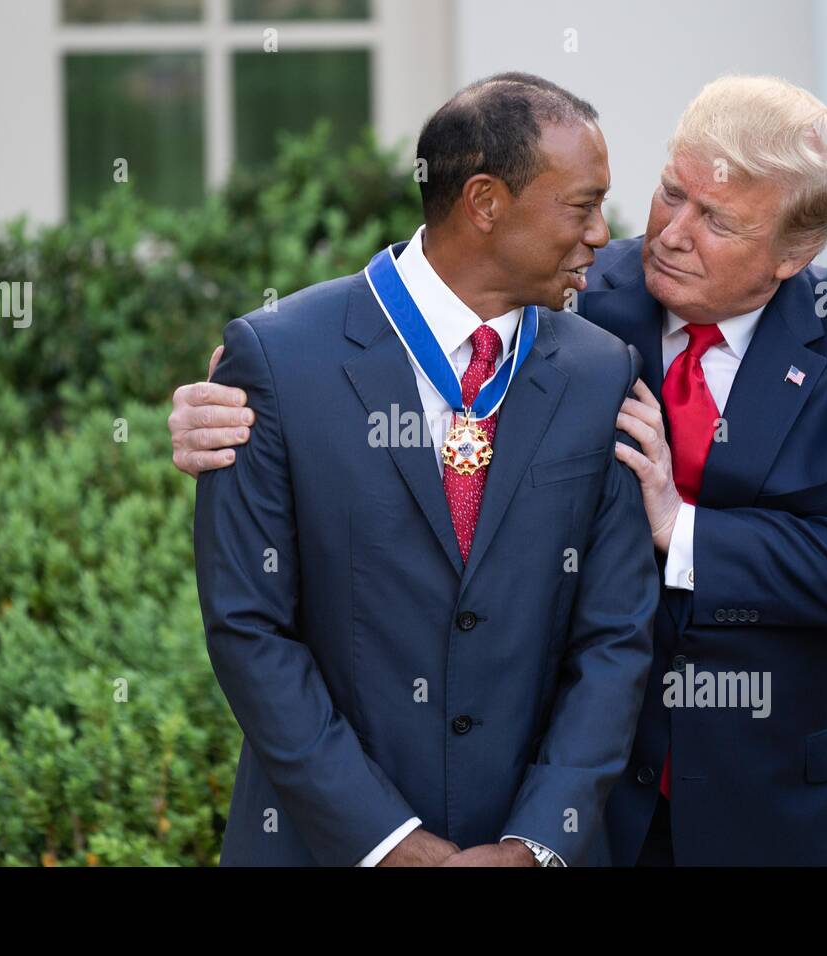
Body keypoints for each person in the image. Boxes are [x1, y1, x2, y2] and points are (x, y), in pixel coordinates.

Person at [175, 74, 827, 866]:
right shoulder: (580, 290)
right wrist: (232, 397)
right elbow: (410, 300)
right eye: (670, 192)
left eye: (716, 219)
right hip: (594, 812)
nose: (670, 234)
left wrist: (685, 533)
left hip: (781, 805)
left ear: (796, 251)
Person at [193, 73, 658, 867]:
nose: (601, 235)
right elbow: (249, 628)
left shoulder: (600, 372)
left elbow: (614, 639)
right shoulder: (276, 361)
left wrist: (536, 842)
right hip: (323, 846)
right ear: (484, 202)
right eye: (581, 205)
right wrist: (390, 843)